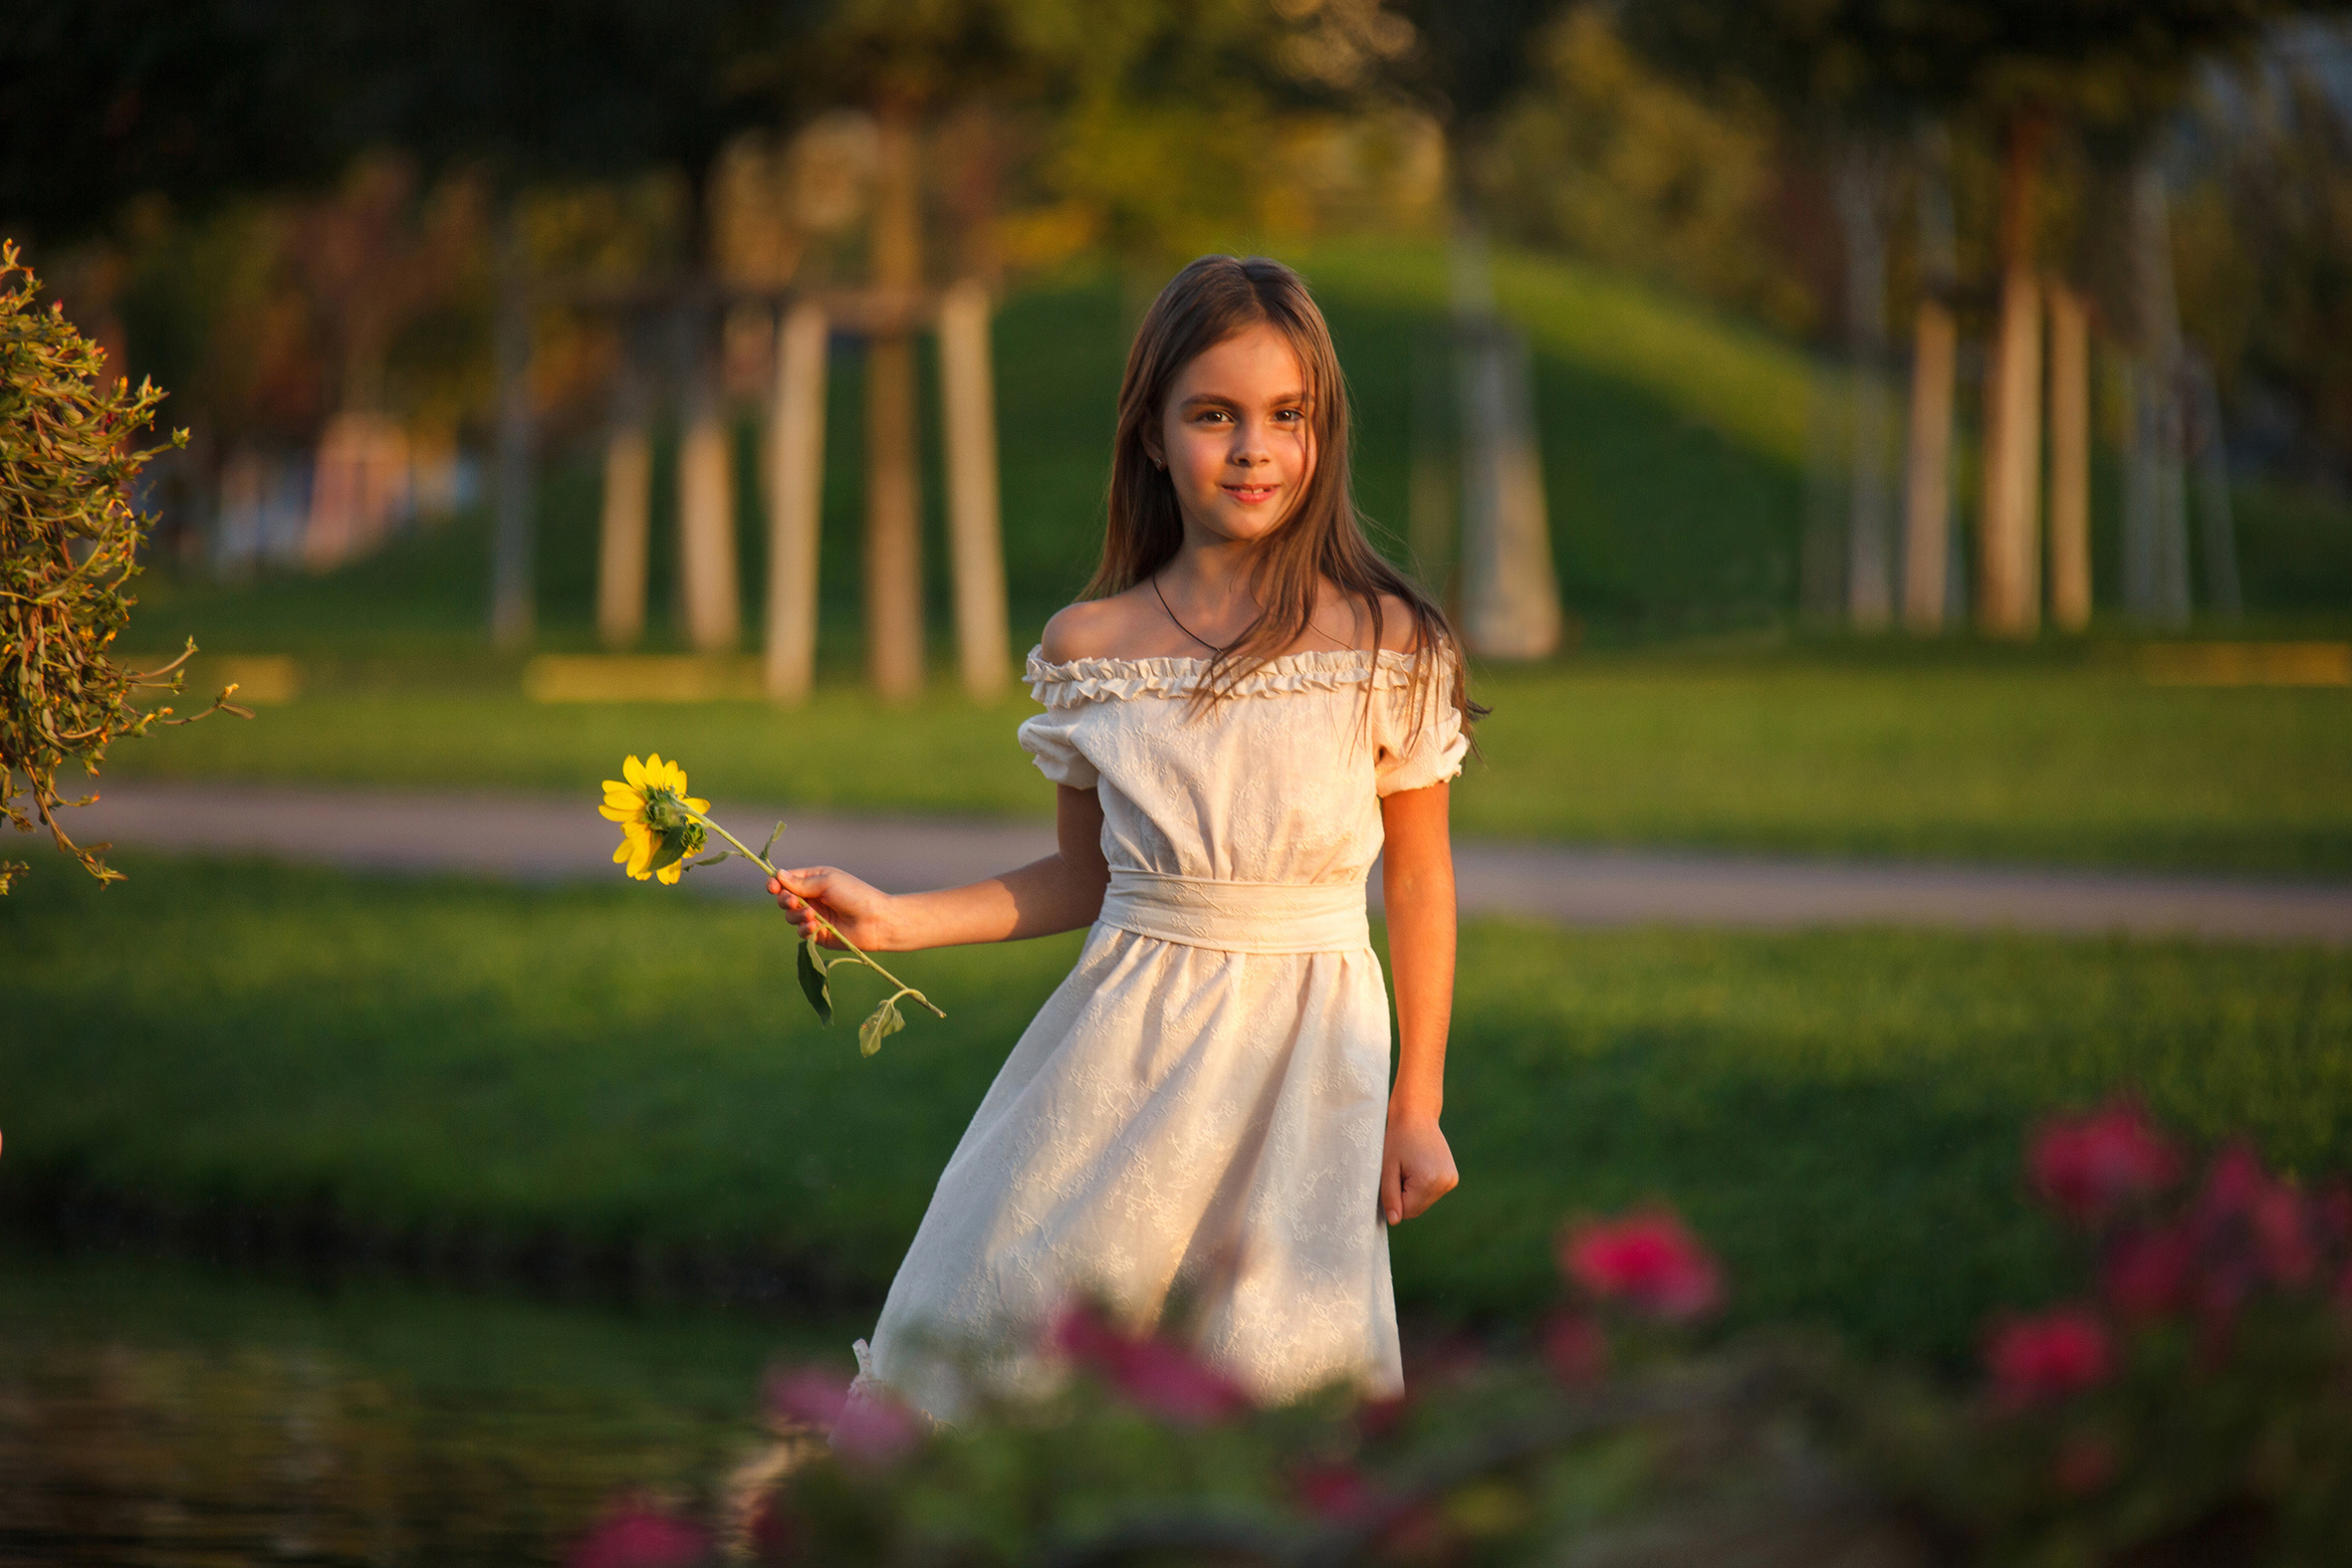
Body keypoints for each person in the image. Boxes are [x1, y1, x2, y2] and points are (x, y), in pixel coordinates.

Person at [766, 254, 1477, 1423]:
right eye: (1213, 416)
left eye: (1285, 417)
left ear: (1322, 433)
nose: (1253, 449)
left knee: (1276, 1394)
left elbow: (1419, 881)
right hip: (1121, 1073)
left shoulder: (1387, 643)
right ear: (1151, 434)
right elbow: (1083, 878)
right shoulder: (1096, 650)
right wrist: (894, 919)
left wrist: (1417, 1101)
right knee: (1020, 1362)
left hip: (1307, 1077)